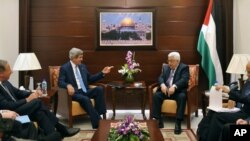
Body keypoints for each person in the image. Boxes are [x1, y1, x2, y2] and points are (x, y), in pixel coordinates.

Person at [0, 59, 80, 139]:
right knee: (37, 102)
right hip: (13, 117)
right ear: (1, 74)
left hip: (22, 112)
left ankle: (54, 135)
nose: (11, 71)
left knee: (39, 113)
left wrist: (33, 93)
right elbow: (9, 106)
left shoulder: (5, 82)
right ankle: (61, 129)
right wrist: (27, 100)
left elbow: (18, 92)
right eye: (9, 70)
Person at [58, 47, 113, 129]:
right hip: (75, 93)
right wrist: (68, 85)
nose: (82, 59)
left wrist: (102, 73)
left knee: (99, 89)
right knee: (85, 99)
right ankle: (98, 123)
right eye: (80, 57)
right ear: (73, 58)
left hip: (85, 90)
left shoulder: (82, 66)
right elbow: (60, 82)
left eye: (82, 57)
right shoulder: (65, 68)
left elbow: (90, 79)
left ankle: (98, 115)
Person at [197, 62, 250, 141]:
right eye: (247, 71)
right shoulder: (248, 81)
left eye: (249, 72)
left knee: (218, 117)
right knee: (212, 112)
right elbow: (241, 93)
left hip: (246, 115)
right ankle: (202, 137)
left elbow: (246, 98)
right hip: (241, 110)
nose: (247, 74)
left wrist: (229, 91)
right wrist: (228, 91)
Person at [152, 52, 190, 134]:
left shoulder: (184, 67)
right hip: (166, 91)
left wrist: (175, 86)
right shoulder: (166, 67)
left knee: (182, 97)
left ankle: (178, 122)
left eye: (171, 61)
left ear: (177, 61)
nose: (169, 63)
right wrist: (162, 85)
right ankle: (158, 120)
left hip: (177, 92)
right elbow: (160, 77)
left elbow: (184, 80)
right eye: (168, 60)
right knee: (156, 96)